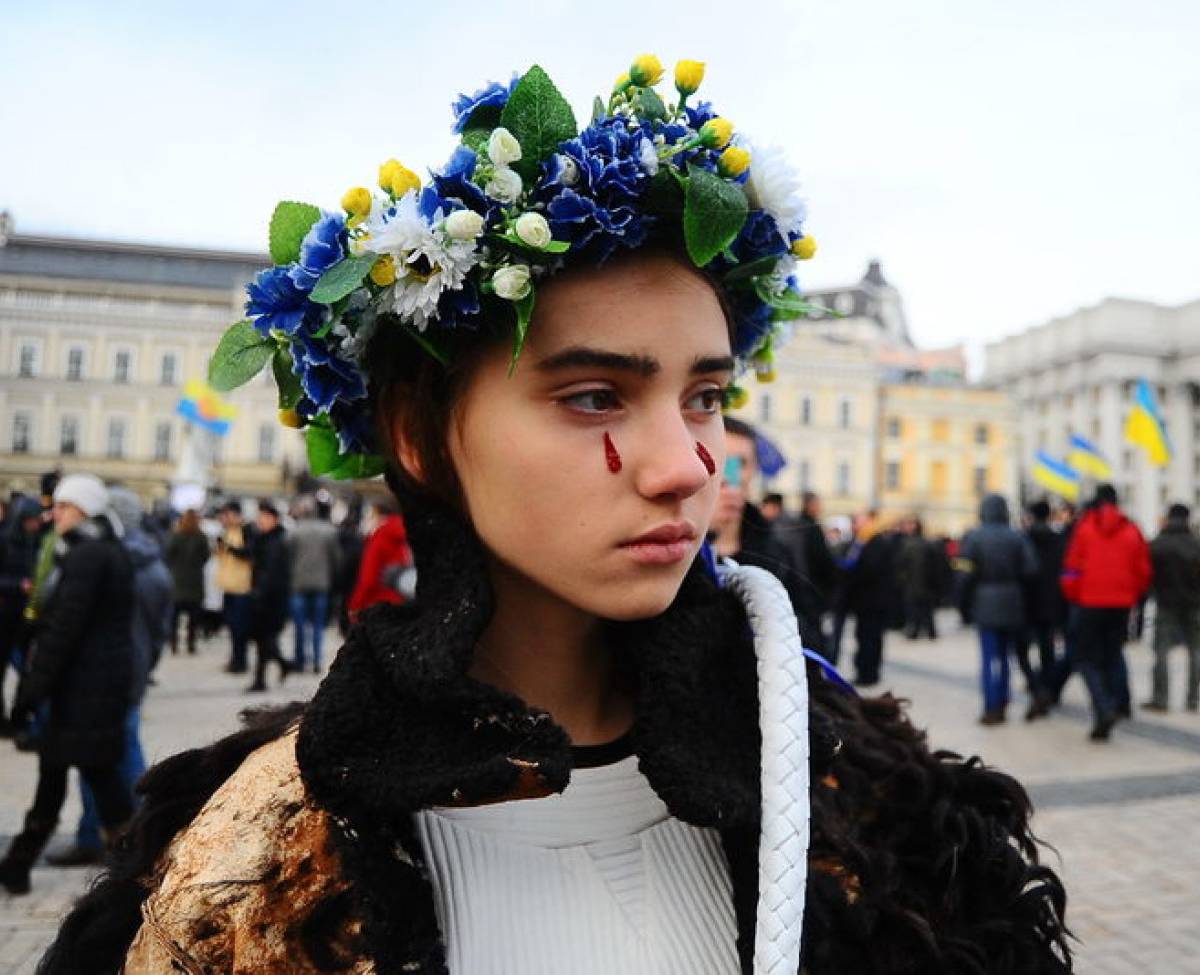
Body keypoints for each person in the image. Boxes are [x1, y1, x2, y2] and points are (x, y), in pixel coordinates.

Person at [42, 60, 1068, 975]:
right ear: (415, 431)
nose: (683, 469)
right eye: (594, 397)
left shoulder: (863, 800)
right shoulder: (257, 866)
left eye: (705, 397)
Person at [0, 474, 136, 895]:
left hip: (83, 689)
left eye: (62, 506)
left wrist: (29, 694)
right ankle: (20, 864)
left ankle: (135, 870)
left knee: (87, 778)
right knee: (80, 776)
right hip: (92, 686)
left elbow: (63, 631)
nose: (53, 513)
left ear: (84, 510)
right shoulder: (101, 550)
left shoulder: (87, 555)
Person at [47, 487, 172, 868]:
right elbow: (159, 631)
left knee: (114, 758)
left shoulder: (116, 561)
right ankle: (104, 835)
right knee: (104, 756)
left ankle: (134, 839)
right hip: (127, 670)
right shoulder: (148, 563)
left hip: (109, 674)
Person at [710, 416, 824, 648]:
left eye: (740, 463)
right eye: (719, 459)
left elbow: (809, 630)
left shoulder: (775, 553)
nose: (730, 476)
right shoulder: (675, 550)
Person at [1061, 484, 1152, 740]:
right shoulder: (1133, 530)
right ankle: (1121, 702)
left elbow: (1071, 570)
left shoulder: (1085, 528)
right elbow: (1143, 572)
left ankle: (1103, 709)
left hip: (1089, 603)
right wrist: (1130, 595)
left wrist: (1075, 596)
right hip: (1121, 604)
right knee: (1113, 654)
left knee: (1085, 659)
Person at [960, 495, 1039, 725]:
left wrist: (963, 603)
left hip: (984, 600)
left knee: (988, 658)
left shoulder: (974, 537)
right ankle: (1003, 700)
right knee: (1006, 657)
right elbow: (1031, 569)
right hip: (1012, 601)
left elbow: (964, 573)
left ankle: (990, 706)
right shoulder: (1017, 537)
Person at [1144, 503, 1200, 712]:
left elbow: (1147, 574)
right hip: (1195, 604)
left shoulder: (1158, 544)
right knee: (1195, 651)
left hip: (1166, 603)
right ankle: (1192, 699)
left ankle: (1161, 698)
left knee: (1161, 651)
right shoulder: (1196, 544)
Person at [1014, 500, 1066, 719]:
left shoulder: (1024, 539)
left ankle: (1038, 689)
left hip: (1027, 603)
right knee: (1048, 650)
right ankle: (1049, 689)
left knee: (1021, 650)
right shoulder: (1058, 540)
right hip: (1052, 603)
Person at [0, 496, 46, 735]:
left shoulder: (36, 542)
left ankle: (20, 716)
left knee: (26, 671)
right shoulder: (5, 540)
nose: (35, 525)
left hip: (27, 617)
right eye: (31, 521)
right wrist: (18, 585)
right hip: (5, 613)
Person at [771, 490, 836, 651]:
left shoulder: (794, 526)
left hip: (799, 589)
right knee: (812, 638)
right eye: (817, 504)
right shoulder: (811, 529)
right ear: (810, 505)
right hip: (809, 590)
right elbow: (822, 560)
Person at [840, 511, 895, 686]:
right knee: (867, 637)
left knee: (869, 638)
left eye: (857, 522)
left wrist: (850, 574)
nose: (854, 525)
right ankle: (866, 672)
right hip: (868, 601)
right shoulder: (865, 541)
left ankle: (868, 674)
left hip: (872, 601)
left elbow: (869, 570)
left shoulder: (874, 542)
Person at [286, 496, 341, 672]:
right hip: (321, 584)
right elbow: (337, 559)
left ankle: (300, 661)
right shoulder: (329, 531)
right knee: (318, 625)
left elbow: (287, 558)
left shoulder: (294, 531)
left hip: (298, 584)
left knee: (300, 626)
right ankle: (317, 661)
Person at [247, 500, 291, 692]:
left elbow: (270, 573)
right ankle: (277, 668)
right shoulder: (265, 539)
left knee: (264, 639)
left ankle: (262, 679)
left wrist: (259, 593)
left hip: (270, 600)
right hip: (266, 597)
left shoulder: (276, 541)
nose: (260, 521)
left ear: (273, 519)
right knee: (264, 640)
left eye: (264, 517)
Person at [347, 495, 413, 621]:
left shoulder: (381, 537)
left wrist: (355, 605)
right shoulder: (406, 533)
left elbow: (368, 578)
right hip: (402, 601)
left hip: (377, 604)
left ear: (378, 513)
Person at [163, 509, 210, 656]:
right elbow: (206, 557)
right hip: (195, 581)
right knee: (193, 618)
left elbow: (168, 554)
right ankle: (191, 644)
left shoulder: (176, 536)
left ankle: (174, 643)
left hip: (177, 581)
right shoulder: (201, 537)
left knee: (174, 618)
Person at [214, 500, 254, 673]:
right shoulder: (227, 531)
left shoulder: (247, 531)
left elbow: (249, 553)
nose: (225, 518)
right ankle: (234, 659)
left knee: (240, 628)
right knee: (231, 626)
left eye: (228, 515)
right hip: (228, 587)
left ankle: (241, 661)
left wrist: (229, 548)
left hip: (242, 588)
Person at [895, 516, 938, 640]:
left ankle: (920, 630)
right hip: (916, 582)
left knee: (921, 608)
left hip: (919, 582)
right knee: (918, 608)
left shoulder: (911, 544)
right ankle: (920, 630)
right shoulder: (924, 544)